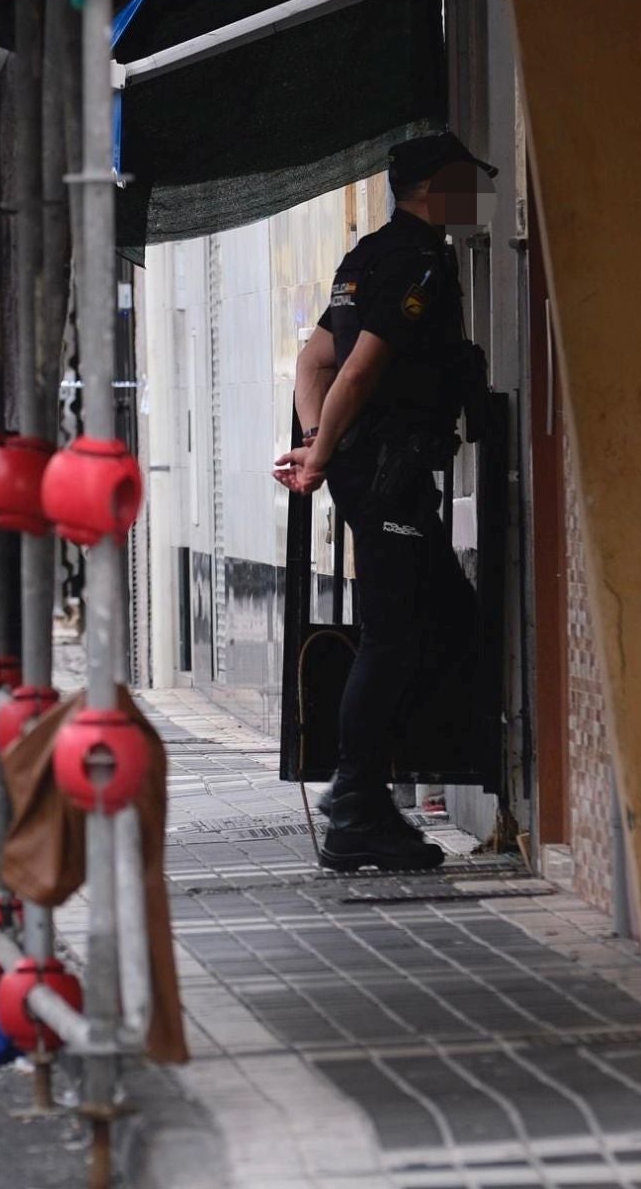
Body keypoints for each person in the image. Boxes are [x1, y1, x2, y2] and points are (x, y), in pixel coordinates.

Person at [275, 133, 496, 873]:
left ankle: (376, 791)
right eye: (468, 185)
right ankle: (357, 806)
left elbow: (315, 361)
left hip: (371, 472)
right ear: (435, 188)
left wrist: (317, 443)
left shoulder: (363, 256)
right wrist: (325, 450)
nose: (477, 200)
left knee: (449, 621)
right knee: (391, 637)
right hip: (391, 474)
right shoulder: (419, 261)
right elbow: (359, 370)